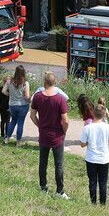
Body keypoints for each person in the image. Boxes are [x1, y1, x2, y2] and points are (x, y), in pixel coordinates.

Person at [30, 71, 70, 199]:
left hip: (44, 134)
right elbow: (66, 120)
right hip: (57, 136)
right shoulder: (60, 99)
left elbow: (32, 115)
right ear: (55, 83)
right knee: (58, 164)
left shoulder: (37, 97)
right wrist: (64, 131)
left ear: (44, 83)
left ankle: (43, 187)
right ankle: (60, 191)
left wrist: (40, 126)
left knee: (43, 162)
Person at [79, 104, 109, 205]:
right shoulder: (108, 127)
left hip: (91, 158)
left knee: (92, 181)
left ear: (93, 113)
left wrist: (89, 143)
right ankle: (103, 203)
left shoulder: (87, 128)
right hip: (104, 158)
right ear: (104, 115)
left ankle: (93, 202)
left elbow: (82, 144)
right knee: (103, 182)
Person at [3, 65, 31, 146]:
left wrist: (10, 95)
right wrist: (31, 99)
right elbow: (26, 97)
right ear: (24, 73)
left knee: (13, 121)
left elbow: (3, 91)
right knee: (20, 123)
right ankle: (18, 142)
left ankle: (7, 139)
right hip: (23, 106)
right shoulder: (25, 83)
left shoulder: (9, 81)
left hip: (12, 105)